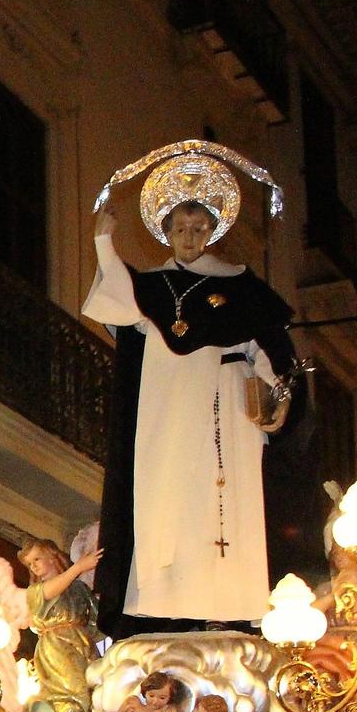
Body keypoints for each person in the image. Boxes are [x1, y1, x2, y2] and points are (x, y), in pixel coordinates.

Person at [82, 160, 303, 637]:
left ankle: (227, 602)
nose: (189, 235)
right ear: (166, 231)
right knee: (163, 500)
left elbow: (272, 352)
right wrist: (104, 241)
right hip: (163, 410)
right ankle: (163, 603)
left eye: (199, 226)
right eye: (180, 227)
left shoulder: (244, 289)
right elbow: (115, 296)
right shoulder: (151, 287)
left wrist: (280, 397)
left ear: (212, 231)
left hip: (224, 404)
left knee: (222, 501)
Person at [10, 538, 104, 712]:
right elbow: (53, 590)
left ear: (52, 556)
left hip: (81, 649)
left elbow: (98, 621)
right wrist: (79, 566)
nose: (34, 566)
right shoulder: (37, 591)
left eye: (37, 559)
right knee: (71, 705)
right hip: (57, 648)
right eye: (30, 564)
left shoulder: (78, 589)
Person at [121, 672, 188, 712]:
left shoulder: (170, 711)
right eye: (151, 696)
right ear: (145, 693)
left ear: (170, 697)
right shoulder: (142, 703)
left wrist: (138, 710)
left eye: (162, 698)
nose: (155, 701)